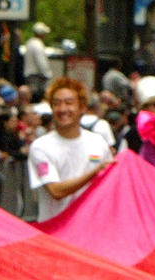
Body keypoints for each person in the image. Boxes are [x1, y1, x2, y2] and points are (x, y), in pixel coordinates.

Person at [27, 77, 112, 222]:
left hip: (90, 231)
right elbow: (55, 190)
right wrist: (94, 172)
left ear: (82, 107)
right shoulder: (40, 147)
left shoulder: (98, 142)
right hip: (55, 231)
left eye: (69, 103)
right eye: (56, 104)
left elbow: (111, 185)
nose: (62, 109)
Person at [23, 22, 52, 99]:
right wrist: (47, 74)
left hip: (28, 75)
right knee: (36, 96)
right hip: (36, 76)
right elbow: (41, 61)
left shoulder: (29, 43)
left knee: (31, 96)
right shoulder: (38, 44)